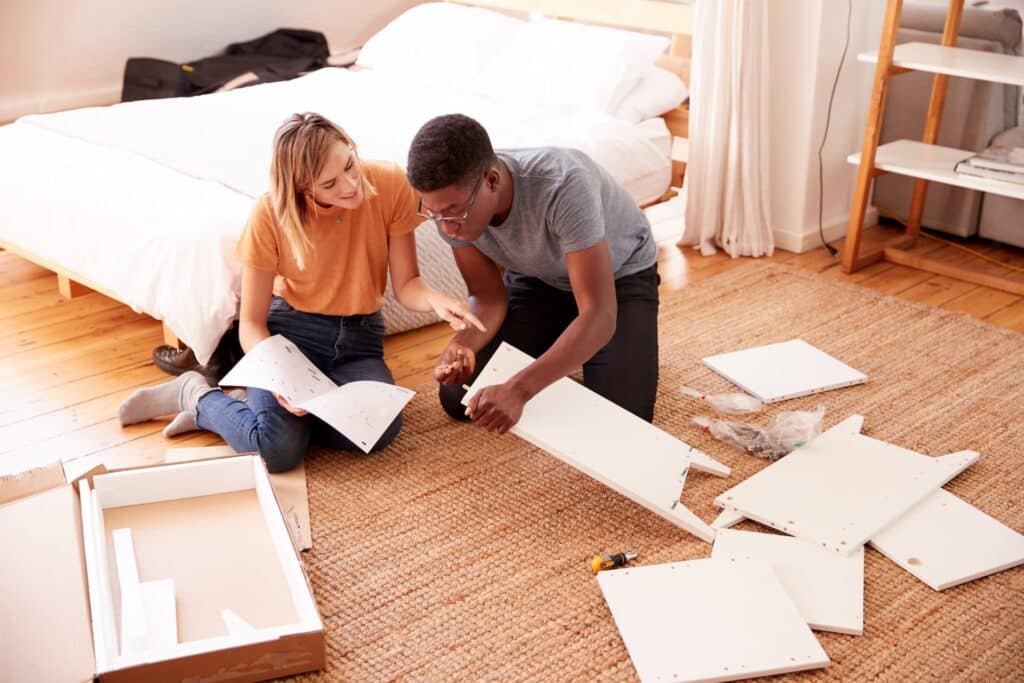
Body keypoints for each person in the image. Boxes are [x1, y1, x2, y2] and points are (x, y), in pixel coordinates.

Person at [118, 112, 483, 472]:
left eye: (350, 164)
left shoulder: (388, 184)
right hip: (292, 338)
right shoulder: (271, 214)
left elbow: (407, 286)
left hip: (360, 339)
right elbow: (251, 324)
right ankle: (197, 397)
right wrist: (280, 378)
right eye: (329, 184)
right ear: (302, 188)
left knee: (379, 432)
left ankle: (255, 411)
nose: (350, 185)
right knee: (278, 451)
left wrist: (437, 300)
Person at [406, 114, 660, 435]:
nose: (446, 227)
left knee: (622, 419)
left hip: (619, 279)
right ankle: (567, 344)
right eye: (434, 213)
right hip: (538, 280)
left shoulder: (565, 185)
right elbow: (487, 296)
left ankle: (575, 346)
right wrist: (464, 345)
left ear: (492, 180)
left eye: (454, 211)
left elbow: (599, 311)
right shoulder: (448, 211)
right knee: (460, 396)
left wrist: (519, 390)